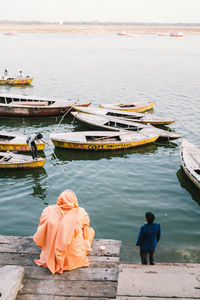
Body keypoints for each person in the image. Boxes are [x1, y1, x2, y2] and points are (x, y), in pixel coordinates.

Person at [33, 190, 95, 274]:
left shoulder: (48, 211)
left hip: (52, 256)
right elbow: (85, 232)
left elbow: (40, 234)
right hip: (74, 259)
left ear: (59, 199)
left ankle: (53, 252)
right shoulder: (81, 213)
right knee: (90, 231)